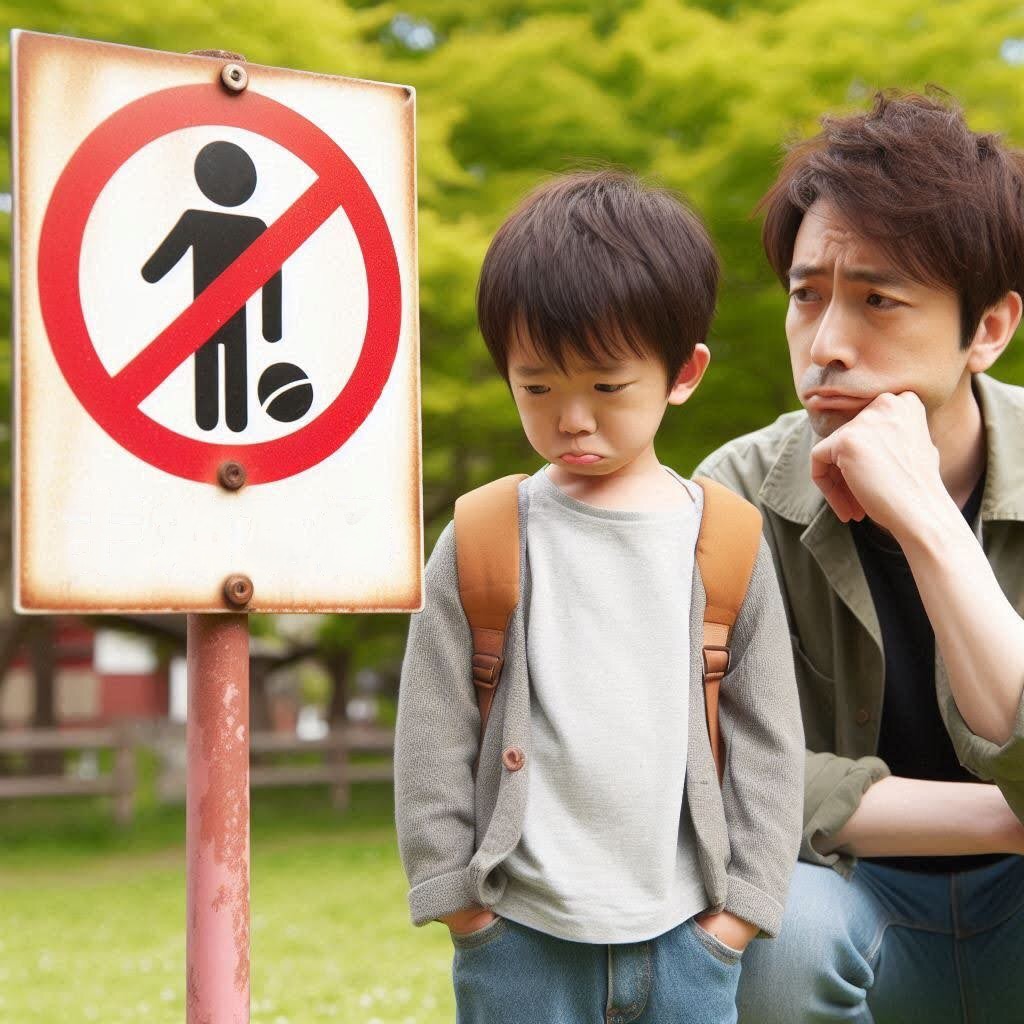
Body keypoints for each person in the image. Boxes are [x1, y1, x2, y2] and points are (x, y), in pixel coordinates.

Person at [394, 169, 803, 1024]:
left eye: (607, 388)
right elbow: (432, 726)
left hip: (688, 935)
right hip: (520, 940)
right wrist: (464, 909)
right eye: (537, 386)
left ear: (683, 373)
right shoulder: (482, 535)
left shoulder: (726, 541)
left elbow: (768, 742)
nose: (571, 418)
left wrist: (738, 917)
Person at [694, 91, 1024, 1022]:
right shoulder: (737, 492)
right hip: (853, 906)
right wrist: (1010, 818)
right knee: (769, 933)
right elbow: (716, 775)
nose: (826, 346)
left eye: (879, 300)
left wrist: (926, 521)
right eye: (808, 296)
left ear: (988, 330)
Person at [142, 140, 282, 432]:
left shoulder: (197, 221)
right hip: (232, 316)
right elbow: (272, 280)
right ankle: (233, 420)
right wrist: (271, 327)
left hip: (203, 316)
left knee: (211, 365)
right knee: (234, 363)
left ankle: (211, 421)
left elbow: (160, 264)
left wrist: (152, 274)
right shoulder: (253, 227)